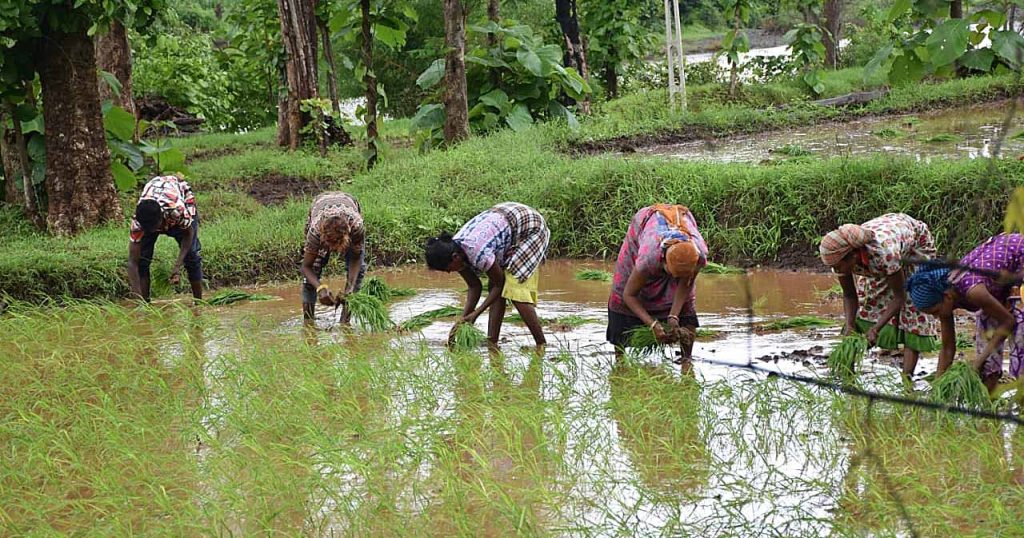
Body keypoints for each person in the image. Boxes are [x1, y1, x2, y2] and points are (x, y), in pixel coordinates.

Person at [819, 214, 938, 379]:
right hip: (890, 246)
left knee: (914, 305)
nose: (837, 270)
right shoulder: (840, 260)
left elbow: (899, 297)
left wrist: (876, 329)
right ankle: (848, 375)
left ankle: (907, 381)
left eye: (838, 266)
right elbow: (849, 295)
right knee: (870, 301)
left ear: (853, 256)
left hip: (916, 246)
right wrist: (849, 324)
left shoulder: (884, 253)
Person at [906, 233, 1024, 392]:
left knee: (1020, 343)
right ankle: (989, 408)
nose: (936, 316)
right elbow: (948, 349)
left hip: (1019, 261)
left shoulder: (973, 290)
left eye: (935, 311)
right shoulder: (947, 299)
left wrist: (977, 362)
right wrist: (938, 388)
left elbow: (1008, 322)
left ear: (946, 296)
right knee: (987, 356)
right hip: (998, 283)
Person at [425, 202, 550, 348]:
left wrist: (476, 314)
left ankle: (541, 344)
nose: (448, 272)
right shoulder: (456, 252)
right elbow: (474, 286)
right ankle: (492, 342)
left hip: (529, 225)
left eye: (447, 269)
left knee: (515, 290)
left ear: (455, 257)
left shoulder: (476, 252)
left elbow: (500, 284)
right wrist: (463, 320)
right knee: (495, 287)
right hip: (507, 220)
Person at [606, 204, 707, 360]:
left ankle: (686, 360)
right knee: (621, 295)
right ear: (664, 262)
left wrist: (674, 316)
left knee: (686, 307)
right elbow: (629, 295)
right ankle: (620, 361)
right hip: (644, 229)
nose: (675, 279)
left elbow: (686, 283)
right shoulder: (649, 257)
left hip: (678, 234)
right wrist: (652, 324)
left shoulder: (698, 255)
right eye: (673, 274)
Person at [127, 175, 203, 302]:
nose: (152, 232)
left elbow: (188, 234)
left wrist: (177, 267)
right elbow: (132, 262)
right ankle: (146, 303)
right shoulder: (139, 222)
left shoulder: (177, 211)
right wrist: (138, 300)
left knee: (191, 257)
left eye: (155, 228)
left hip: (180, 193)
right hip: (156, 195)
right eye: (148, 230)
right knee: (142, 261)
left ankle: (199, 303)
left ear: (162, 218)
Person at [300, 192, 366, 324]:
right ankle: (308, 324)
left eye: (337, 245)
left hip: (348, 201)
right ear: (323, 238)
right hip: (320, 203)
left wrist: (350, 287)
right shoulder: (315, 231)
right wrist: (320, 288)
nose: (334, 250)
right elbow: (306, 267)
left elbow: (356, 258)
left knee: (357, 276)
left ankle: (345, 323)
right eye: (330, 245)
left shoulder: (356, 227)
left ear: (347, 237)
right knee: (312, 274)